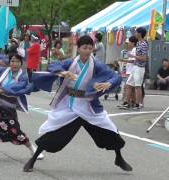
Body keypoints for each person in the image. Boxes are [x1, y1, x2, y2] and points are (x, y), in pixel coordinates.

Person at [23, 35, 132, 172]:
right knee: (54, 133)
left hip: (88, 105)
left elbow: (115, 76)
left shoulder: (96, 64)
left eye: (90, 48)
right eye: (84, 48)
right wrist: (63, 72)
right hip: (70, 105)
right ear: (78, 48)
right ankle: (32, 160)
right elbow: (53, 65)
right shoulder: (70, 63)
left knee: (109, 130)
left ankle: (119, 158)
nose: (87, 51)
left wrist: (109, 83)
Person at [126, 27, 149, 109]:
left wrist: (133, 56)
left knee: (138, 86)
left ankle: (138, 104)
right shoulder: (139, 43)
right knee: (129, 84)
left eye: (136, 32)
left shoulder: (143, 44)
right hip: (135, 66)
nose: (135, 34)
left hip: (139, 67)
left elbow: (144, 58)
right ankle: (128, 103)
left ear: (140, 34)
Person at [118, 36, 138, 109]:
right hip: (130, 70)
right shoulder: (132, 50)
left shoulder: (134, 50)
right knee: (131, 88)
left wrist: (123, 60)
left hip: (132, 71)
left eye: (129, 42)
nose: (128, 44)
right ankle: (133, 103)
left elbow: (133, 60)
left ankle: (127, 102)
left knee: (128, 86)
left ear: (133, 43)